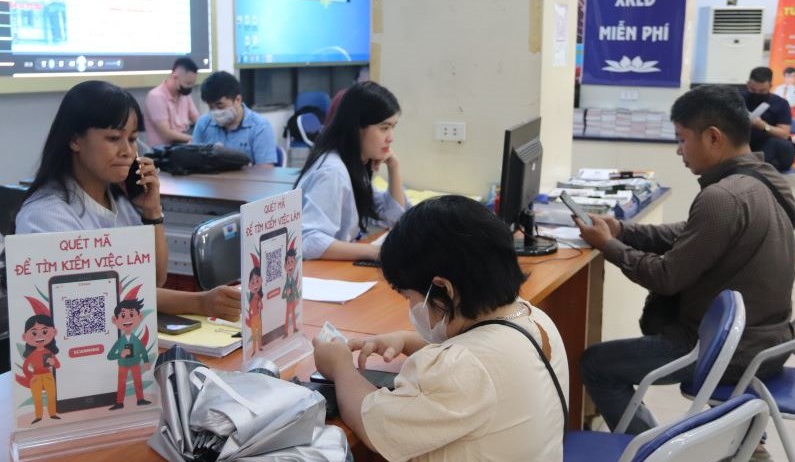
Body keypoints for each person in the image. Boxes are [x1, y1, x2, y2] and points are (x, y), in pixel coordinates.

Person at [575, 85, 795, 436]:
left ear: (712, 137)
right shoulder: (766, 181)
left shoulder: (722, 197)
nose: (678, 151)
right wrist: (623, 230)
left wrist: (607, 246)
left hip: (729, 348)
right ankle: (746, 439)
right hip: (769, 340)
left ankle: (650, 450)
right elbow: (692, 233)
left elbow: (665, 277)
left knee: (596, 363)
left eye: (681, 139)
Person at [313, 195, 568, 461]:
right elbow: (487, 362)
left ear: (443, 288)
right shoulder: (535, 319)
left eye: (408, 297)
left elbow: (373, 424)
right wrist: (408, 340)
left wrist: (340, 367)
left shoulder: (459, 369)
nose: (410, 307)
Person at [14, 80, 241, 321]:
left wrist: (152, 211)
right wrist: (200, 303)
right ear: (75, 140)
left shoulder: (120, 200)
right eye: (113, 138)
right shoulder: (46, 215)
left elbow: (153, 279)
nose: (128, 152)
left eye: (132, 139)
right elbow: (101, 299)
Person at [295, 81, 409, 260]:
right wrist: (376, 253)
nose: (390, 138)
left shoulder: (356, 163)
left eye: (392, 127)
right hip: (315, 273)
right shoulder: (333, 172)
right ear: (357, 128)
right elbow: (309, 240)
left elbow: (393, 217)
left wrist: (394, 167)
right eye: (384, 128)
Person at [192, 71, 277, 167]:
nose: (215, 112)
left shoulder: (260, 127)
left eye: (220, 106)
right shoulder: (203, 124)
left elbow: (265, 172)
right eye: (211, 107)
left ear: (237, 100)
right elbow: (194, 163)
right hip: (210, 181)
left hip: (247, 181)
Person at [742, 66, 795, 171]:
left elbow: (784, 134)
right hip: (745, 144)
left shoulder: (780, 103)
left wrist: (763, 126)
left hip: (772, 148)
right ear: (747, 84)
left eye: (762, 91)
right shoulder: (738, 99)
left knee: (773, 144)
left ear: (770, 86)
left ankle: (754, 169)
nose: (757, 93)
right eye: (753, 90)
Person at [144, 57, 200, 147]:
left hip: (182, 144)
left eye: (192, 84)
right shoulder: (156, 96)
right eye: (188, 83)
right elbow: (167, 134)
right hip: (164, 151)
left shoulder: (184, 95)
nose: (190, 88)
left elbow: (198, 120)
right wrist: (195, 139)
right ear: (175, 76)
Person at [107, 298, 151, 410]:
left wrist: (146, 361)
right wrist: (120, 355)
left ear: (139, 317)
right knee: (121, 383)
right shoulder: (120, 341)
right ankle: (119, 402)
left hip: (135, 364)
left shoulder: (136, 340)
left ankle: (140, 399)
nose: (127, 318)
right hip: (123, 365)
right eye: (122, 316)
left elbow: (143, 351)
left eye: (131, 314)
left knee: (138, 381)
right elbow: (110, 355)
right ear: (115, 320)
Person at [21, 313, 61, 424]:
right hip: (36, 378)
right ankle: (38, 416)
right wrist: (30, 378)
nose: (39, 336)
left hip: (48, 376)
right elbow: (25, 368)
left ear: (54, 332)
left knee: (51, 396)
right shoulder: (32, 354)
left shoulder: (48, 352)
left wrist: (53, 362)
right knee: (37, 398)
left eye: (44, 332)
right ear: (25, 337)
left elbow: (57, 365)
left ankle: (52, 414)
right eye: (34, 333)